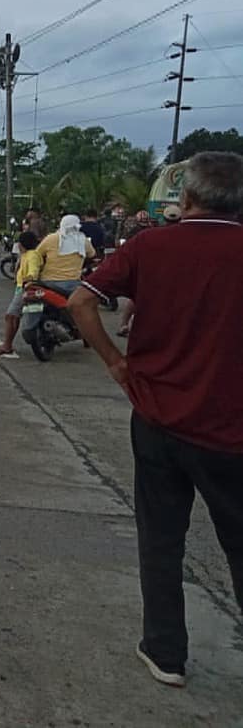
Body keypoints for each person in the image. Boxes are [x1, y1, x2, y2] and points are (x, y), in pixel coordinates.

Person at [67, 151, 243, 689]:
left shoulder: (150, 245)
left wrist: (117, 365)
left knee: (161, 538)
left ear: (185, 198)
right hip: (232, 433)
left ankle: (166, 653)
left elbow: (80, 302)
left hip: (158, 420)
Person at [0, 230, 41, 355]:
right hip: (21, 287)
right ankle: (8, 344)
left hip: (25, 288)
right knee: (13, 317)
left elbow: (33, 273)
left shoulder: (32, 255)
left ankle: (7, 345)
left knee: (11, 315)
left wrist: (27, 279)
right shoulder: (27, 254)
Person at [31, 214, 95, 296]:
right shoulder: (83, 240)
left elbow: (37, 253)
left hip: (48, 282)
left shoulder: (51, 238)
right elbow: (92, 254)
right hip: (73, 284)